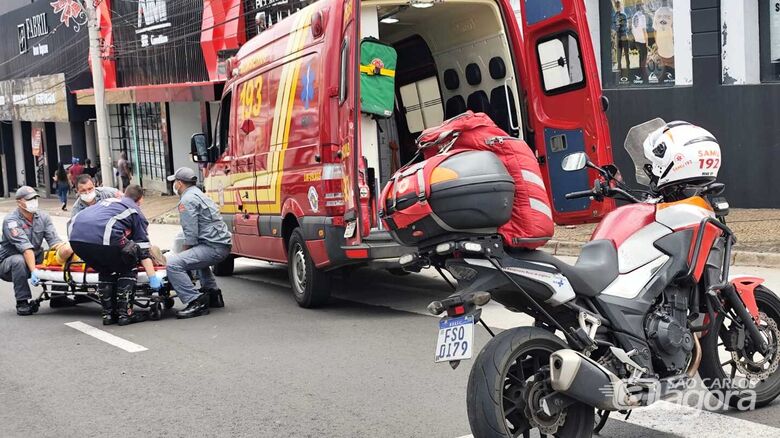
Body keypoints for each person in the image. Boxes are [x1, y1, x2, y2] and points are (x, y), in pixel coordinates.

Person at [69, 185, 162, 326]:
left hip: (75, 239)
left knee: (106, 268)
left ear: (124, 194)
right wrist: (153, 278)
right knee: (129, 261)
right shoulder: (135, 211)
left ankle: (108, 314)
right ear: (141, 199)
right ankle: (125, 314)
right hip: (103, 238)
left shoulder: (110, 201)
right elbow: (143, 250)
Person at [165, 167, 231, 319]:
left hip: (213, 247)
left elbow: (190, 235)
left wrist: (181, 253)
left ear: (180, 183)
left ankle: (195, 301)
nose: (174, 185)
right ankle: (213, 294)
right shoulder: (200, 194)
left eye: (175, 182)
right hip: (220, 245)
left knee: (173, 264)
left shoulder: (187, 200)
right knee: (197, 258)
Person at [0, 186, 63, 316]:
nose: (33, 201)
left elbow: (54, 241)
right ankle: (22, 302)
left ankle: (59, 296)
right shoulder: (11, 221)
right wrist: (34, 270)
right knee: (19, 261)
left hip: (35, 255)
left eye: (35, 198)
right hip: (9, 263)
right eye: (29, 199)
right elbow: (25, 248)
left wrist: (64, 251)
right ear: (19, 202)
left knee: (57, 255)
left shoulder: (43, 216)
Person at [653, 0, 675, 83]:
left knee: (662, 65)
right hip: (671, 47)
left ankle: (662, 82)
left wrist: (657, 43)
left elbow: (655, 31)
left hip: (661, 46)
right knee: (672, 64)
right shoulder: (672, 12)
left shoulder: (657, 12)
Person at [631, 2, 649, 84]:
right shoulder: (642, 16)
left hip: (637, 40)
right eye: (643, 5)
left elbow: (632, 29)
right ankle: (644, 77)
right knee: (644, 59)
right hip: (642, 40)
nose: (644, 7)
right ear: (641, 7)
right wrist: (647, 41)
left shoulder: (634, 16)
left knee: (640, 58)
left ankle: (640, 76)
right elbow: (644, 30)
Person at [613, 1, 631, 79]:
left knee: (619, 53)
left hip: (618, 36)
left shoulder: (615, 15)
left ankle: (620, 67)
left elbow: (615, 26)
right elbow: (625, 26)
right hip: (623, 36)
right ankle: (628, 66)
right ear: (620, 6)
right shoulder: (623, 15)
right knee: (626, 53)